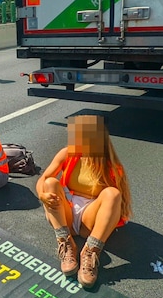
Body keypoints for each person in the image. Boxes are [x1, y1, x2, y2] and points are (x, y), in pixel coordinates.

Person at [35, 115, 132, 288]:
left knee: (113, 193)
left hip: (90, 219)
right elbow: (44, 178)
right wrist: (42, 195)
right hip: (67, 214)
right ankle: (65, 242)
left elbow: (119, 204)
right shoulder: (68, 153)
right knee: (50, 183)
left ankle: (91, 251)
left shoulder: (110, 165)